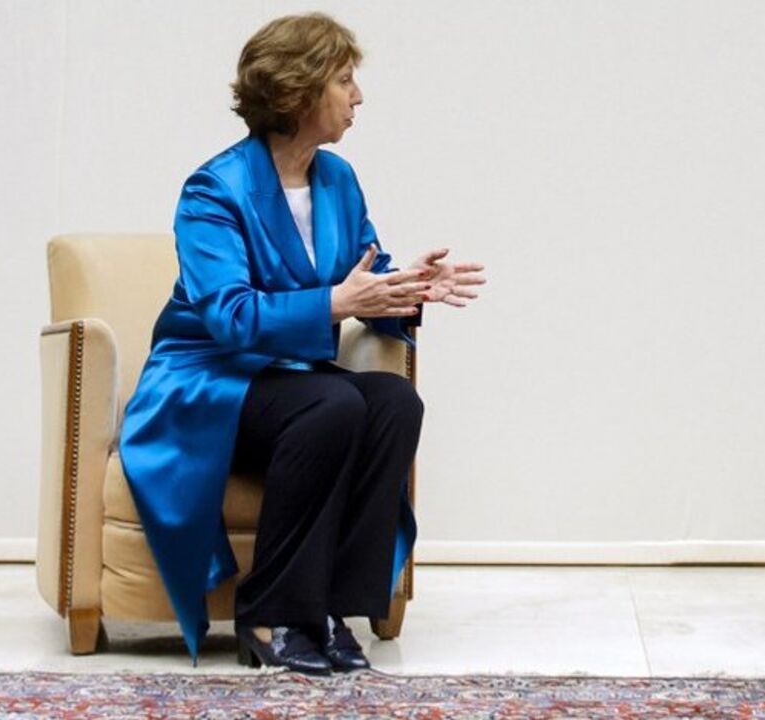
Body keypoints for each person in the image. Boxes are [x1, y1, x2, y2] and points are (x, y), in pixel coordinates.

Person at [119, 13, 485, 674]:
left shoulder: (336, 179)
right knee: (333, 403)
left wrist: (408, 288)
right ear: (299, 89)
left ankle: (332, 609)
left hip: (290, 380)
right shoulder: (213, 190)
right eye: (345, 80)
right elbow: (229, 316)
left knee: (394, 403)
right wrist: (338, 302)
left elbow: (363, 271)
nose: (358, 96)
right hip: (208, 383)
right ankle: (269, 614)